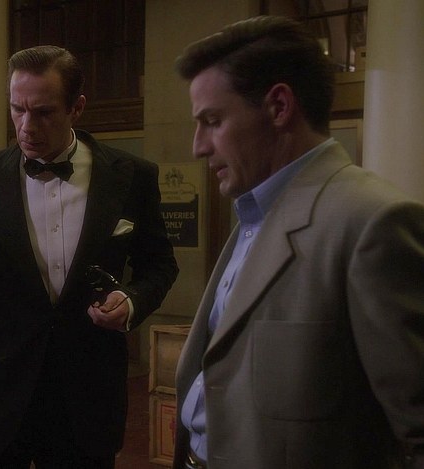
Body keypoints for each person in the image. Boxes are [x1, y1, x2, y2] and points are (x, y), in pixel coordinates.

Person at [172, 15, 424, 469]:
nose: (198, 146)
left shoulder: (373, 223)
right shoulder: (255, 211)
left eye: (212, 121)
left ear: (279, 106)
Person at [0, 45, 179, 468]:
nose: (26, 127)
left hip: (87, 398)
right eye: (17, 109)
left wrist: (132, 300)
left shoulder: (132, 175)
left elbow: (160, 264)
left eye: (43, 112)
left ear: (76, 108)